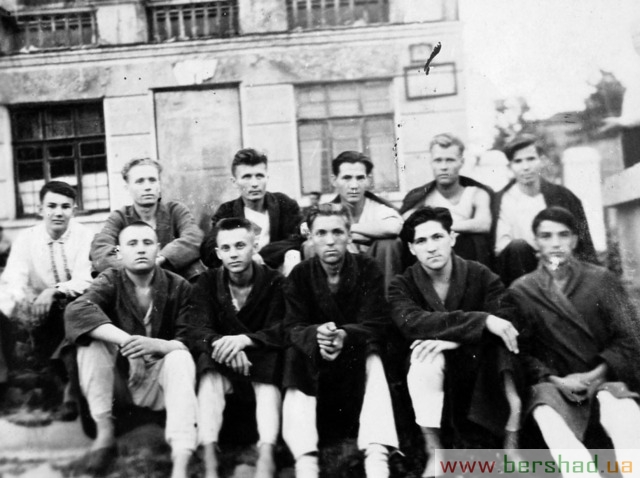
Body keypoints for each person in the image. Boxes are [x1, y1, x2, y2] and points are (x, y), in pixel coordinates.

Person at [388, 207, 522, 476]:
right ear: (411, 249)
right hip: (436, 372)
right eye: (421, 241)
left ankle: (512, 444)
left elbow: (506, 318)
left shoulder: (480, 274)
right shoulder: (402, 284)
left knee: (505, 351)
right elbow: (412, 322)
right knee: (423, 358)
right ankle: (434, 451)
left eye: (437, 237)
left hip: (479, 363)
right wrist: (480, 321)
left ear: (452, 237)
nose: (431, 247)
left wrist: (458, 341)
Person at [508, 207, 640, 472]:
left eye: (563, 235)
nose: (555, 243)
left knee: (624, 414)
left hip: (605, 379)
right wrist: (556, 380)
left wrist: (595, 375)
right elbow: (522, 353)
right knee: (546, 413)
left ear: (575, 240)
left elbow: (629, 338)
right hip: (555, 387)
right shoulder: (522, 290)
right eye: (546, 236)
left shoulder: (601, 280)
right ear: (536, 242)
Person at [64, 222, 198, 478]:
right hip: (121, 382)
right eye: (132, 244)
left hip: (160, 382)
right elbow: (77, 311)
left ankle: (181, 458)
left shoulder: (178, 285)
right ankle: (105, 434)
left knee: (180, 357)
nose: (140, 249)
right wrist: (128, 343)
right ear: (119, 252)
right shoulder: (111, 279)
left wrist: (156, 345)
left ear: (158, 248)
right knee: (90, 343)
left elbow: (191, 338)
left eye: (147, 243)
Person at [282, 204, 398, 478]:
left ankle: (377, 452)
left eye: (337, 232)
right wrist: (318, 335)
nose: (330, 241)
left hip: (354, 363)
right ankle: (305, 458)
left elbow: (378, 322)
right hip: (318, 367)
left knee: (373, 353)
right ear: (310, 237)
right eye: (321, 233)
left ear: (349, 235)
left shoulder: (367, 268)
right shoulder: (300, 274)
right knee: (294, 355)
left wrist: (345, 335)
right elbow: (291, 325)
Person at [179, 218, 285, 478]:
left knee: (271, 363)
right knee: (207, 365)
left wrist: (244, 340)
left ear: (255, 246)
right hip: (223, 361)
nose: (234, 254)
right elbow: (195, 329)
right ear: (218, 253)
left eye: (240, 245)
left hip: (258, 359)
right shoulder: (207, 282)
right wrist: (222, 345)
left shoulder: (274, 281)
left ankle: (267, 452)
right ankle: (209, 454)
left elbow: (283, 327)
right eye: (226, 248)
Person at [0, 181, 93, 417]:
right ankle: (6, 385)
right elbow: (14, 278)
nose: (58, 212)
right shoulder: (27, 238)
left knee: (75, 315)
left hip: (74, 303)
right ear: (40, 209)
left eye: (65, 206)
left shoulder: (84, 236)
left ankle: (72, 390)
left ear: (74, 210)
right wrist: (20, 303)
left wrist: (53, 291)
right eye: (51, 206)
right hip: (39, 309)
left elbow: (85, 279)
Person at [492, 134, 597, 285]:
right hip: (520, 268)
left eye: (531, 159)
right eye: (518, 161)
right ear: (510, 167)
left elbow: (582, 242)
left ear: (541, 161)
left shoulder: (563, 196)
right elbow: (500, 248)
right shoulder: (501, 200)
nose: (525, 167)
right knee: (518, 246)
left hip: (559, 262)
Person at [91, 157, 205, 281]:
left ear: (159, 185)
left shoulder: (175, 211)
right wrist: (135, 267)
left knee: (194, 265)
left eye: (152, 180)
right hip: (133, 282)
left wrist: (162, 257)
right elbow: (100, 248)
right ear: (127, 188)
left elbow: (193, 237)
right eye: (140, 181)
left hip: (173, 280)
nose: (147, 187)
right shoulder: (120, 217)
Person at [200, 148, 303, 271]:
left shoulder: (284, 204)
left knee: (293, 255)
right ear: (234, 182)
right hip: (243, 273)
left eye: (259, 176)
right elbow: (208, 252)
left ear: (267, 178)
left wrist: (263, 256)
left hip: (278, 272)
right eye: (247, 177)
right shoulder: (227, 211)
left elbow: (298, 239)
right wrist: (246, 257)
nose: (254, 183)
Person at [400, 133, 494, 266]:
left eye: (450, 160)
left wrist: (441, 226)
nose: (443, 167)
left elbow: (484, 224)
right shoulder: (423, 197)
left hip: (469, 260)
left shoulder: (476, 193)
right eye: (438, 160)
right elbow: (405, 222)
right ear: (431, 162)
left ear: (461, 162)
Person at [327, 151, 404, 287]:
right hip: (340, 280)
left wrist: (346, 229)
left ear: (368, 180)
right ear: (334, 180)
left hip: (376, 279)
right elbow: (307, 230)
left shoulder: (378, 208)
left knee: (389, 243)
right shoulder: (327, 211)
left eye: (360, 178)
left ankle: (388, 299)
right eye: (347, 178)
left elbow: (393, 227)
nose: (354, 186)